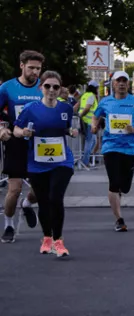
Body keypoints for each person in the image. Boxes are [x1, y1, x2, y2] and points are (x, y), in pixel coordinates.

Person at [13, 71, 77, 257]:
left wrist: (71, 131)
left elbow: (65, 128)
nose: (51, 90)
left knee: (55, 198)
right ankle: (47, 237)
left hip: (62, 161)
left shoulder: (66, 109)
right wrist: (22, 132)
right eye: (47, 86)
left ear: (60, 89)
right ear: (41, 87)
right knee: (43, 201)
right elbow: (16, 128)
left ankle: (58, 241)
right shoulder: (30, 108)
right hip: (37, 162)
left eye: (55, 87)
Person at [90, 70, 134, 231]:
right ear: (114, 84)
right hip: (110, 146)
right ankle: (119, 220)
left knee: (125, 187)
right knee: (114, 183)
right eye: (119, 81)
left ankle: (120, 193)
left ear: (128, 84)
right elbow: (96, 116)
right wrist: (93, 126)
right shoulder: (105, 102)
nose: (122, 84)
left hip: (130, 149)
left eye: (125, 81)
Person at [0, 50, 44, 243]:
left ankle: (27, 205)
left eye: (38, 68)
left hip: (38, 144)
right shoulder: (8, 88)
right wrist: (2, 130)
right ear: (22, 65)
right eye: (31, 67)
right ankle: (9, 224)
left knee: (39, 190)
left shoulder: (43, 87)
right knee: (14, 189)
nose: (35, 71)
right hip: (16, 142)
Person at [78, 81, 100, 168]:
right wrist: (80, 116)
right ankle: (85, 162)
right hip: (89, 122)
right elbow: (87, 108)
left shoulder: (84, 95)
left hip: (85, 121)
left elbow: (79, 106)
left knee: (92, 141)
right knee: (90, 142)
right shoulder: (91, 96)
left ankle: (85, 160)